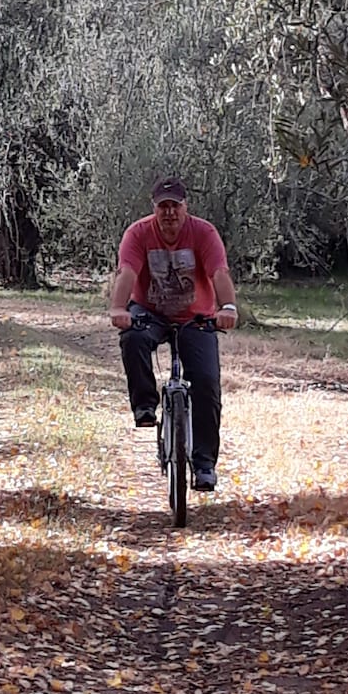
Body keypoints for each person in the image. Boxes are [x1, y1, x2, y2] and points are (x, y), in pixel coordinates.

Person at [109, 175, 238, 491]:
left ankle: (204, 464)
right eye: (162, 207)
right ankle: (144, 406)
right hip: (150, 312)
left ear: (185, 206)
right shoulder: (138, 233)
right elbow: (127, 272)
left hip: (196, 317)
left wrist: (228, 308)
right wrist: (118, 309)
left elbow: (218, 272)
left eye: (175, 206)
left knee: (206, 383)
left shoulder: (203, 233)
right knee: (133, 338)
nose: (169, 213)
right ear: (154, 208)